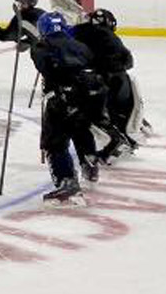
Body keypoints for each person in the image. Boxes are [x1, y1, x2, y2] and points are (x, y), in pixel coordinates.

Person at [30, 12, 109, 205]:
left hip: (61, 101)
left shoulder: (43, 46)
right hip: (88, 98)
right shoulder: (81, 46)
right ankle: (89, 163)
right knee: (81, 129)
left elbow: (44, 66)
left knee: (54, 142)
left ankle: (67, 182)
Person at [71, 9, 141, 161]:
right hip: (121, 78)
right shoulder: (111, 36)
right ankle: (125, 138)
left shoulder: (84, 31)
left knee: (91, 113)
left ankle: (114, 142)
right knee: (114, 111)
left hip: (104, 79)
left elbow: (71, 43)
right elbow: (129, 60)